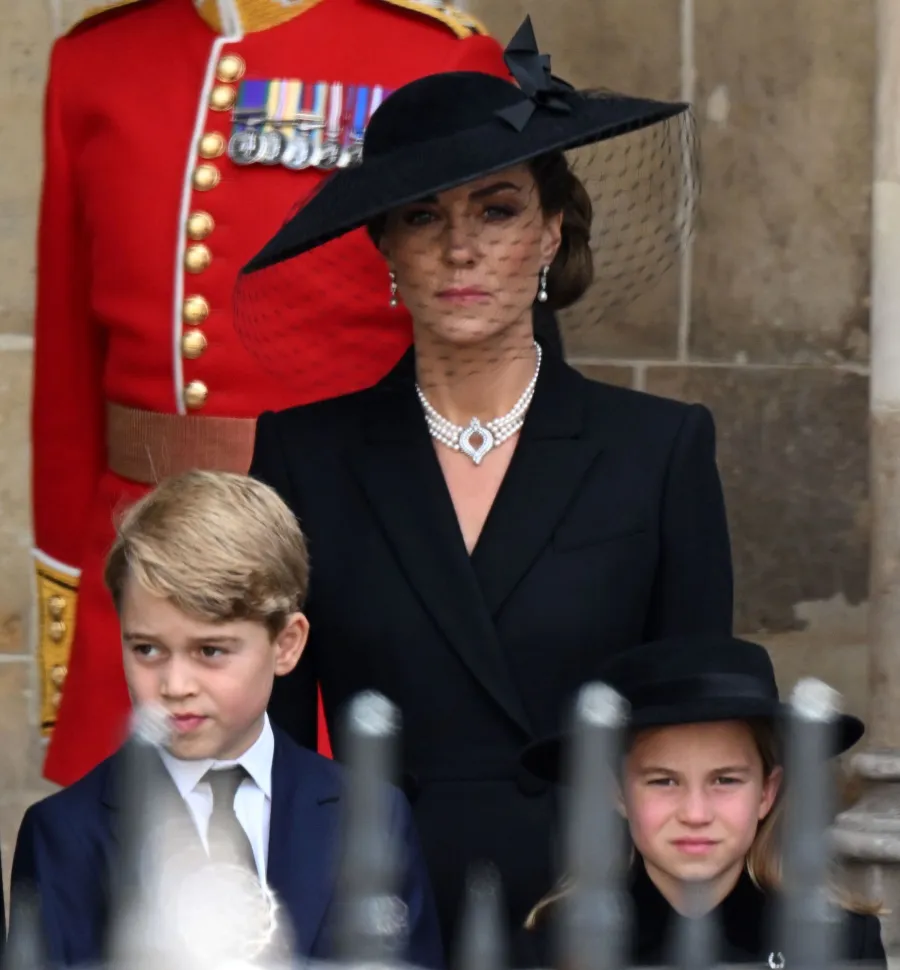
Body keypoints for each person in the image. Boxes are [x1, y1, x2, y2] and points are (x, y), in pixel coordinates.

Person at [239, 17, 733, 955]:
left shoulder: (658, 449)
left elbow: (697, 739)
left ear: (551, 232)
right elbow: (278, 750)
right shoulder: (306, 454)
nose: (460, 248)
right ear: (385, 244)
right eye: (425, 215)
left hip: (594, 908)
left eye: (497, 208)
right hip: (375, 906)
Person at [33, 0, 564, 788]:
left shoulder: (434, 57)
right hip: (142, 574)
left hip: (344, 564)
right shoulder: (98, 60)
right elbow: (68, 373)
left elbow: (494, 354)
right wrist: (70, 607)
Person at [11, 471, 442, 968]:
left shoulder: (371, 815)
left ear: (287, 644)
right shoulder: (62, 831)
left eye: (210, 650)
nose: (174, 685)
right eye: (147, 649)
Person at [519, 635, 886, 967]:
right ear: (618, 794)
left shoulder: (844, 942)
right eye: (663, 781)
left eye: (725, 780)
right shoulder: (553, 950)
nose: (695, 813)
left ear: (766, 792)